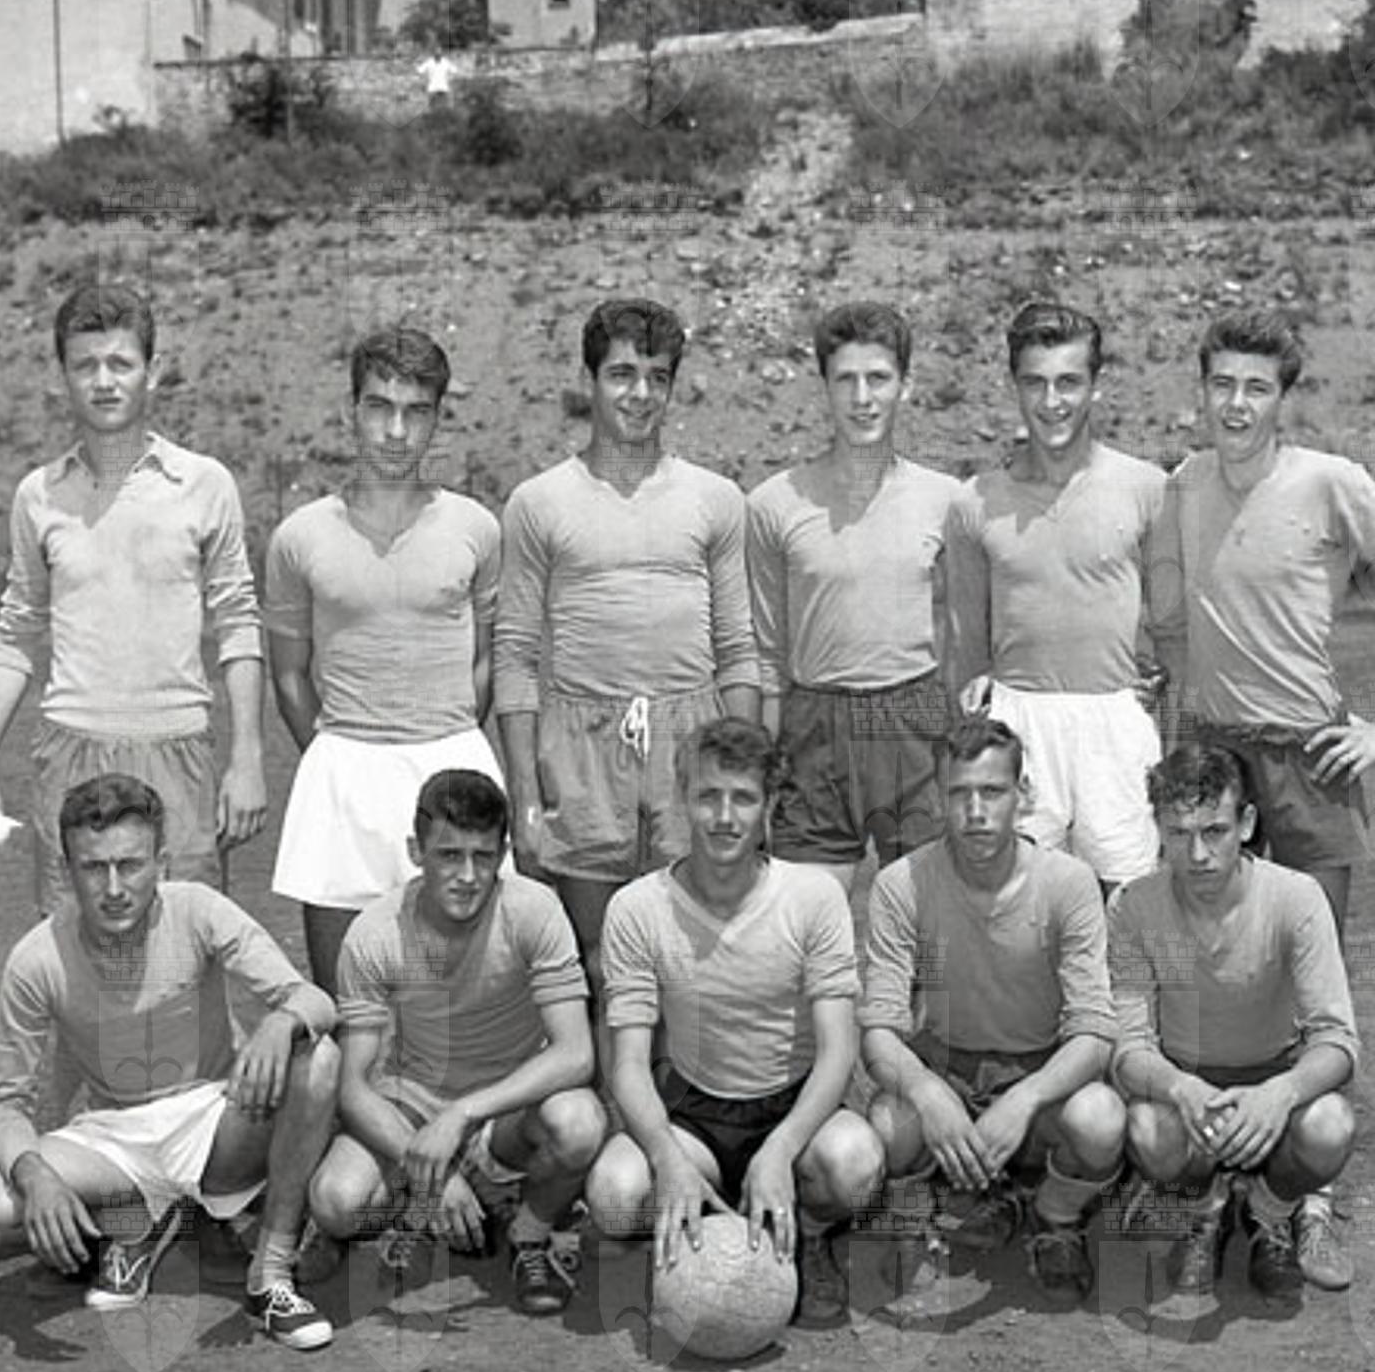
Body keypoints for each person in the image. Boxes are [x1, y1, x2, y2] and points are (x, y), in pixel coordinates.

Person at [0, 774, 339, 1349]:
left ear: (161, 863)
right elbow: (5, 1103)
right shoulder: (36, 958)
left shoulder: (198, 910)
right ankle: (128, 1222)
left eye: (130, 865)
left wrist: (282, 1021)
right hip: (112, 1140)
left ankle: (270, 1276)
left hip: (214, 1124)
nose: (114, 888)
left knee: (318, 1059)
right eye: (93, 868)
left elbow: (313, 999)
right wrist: (35, 1175)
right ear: (66, 870)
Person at [1149, 312, 1375, 936]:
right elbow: (1170, 621)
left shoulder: (1331, 483)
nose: (1237, 404)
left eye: (1257, 388)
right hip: (1213, 754)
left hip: (1310, 757)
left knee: (1314, 958)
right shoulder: (1184, 485)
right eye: (1222, 384)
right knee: (1215, 957)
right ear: (1203, 391)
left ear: (1283, 398)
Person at [0, 281, 267, 910]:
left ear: (152, 371)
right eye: (86, 365)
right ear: (63, 377)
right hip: (70, 752)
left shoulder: (205, 485)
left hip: (178, 751)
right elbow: (16, 633)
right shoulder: (38, 496)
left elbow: (239, 623)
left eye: (120, 363)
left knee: (183, 950)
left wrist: (248, 758)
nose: (104, 381)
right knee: (73, 956)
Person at [584, 718, 884, 1328]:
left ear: (769, 807)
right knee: (614, 1198)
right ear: (682, 800)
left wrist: (783, 1147)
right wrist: (666, 1158)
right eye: (708, 796)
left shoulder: (812, 898)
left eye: (743, 798)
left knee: (857, 1167)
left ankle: (807, 1230)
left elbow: (837, 1052)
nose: (724, 817)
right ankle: (707, 1217)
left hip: (792, 1102)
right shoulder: (637, 908)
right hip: (694, 1110)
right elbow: (629, 1065)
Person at [493, 299, 758, 990]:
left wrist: (748, 778)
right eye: (621, 374)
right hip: (582, 751)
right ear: (588, 380)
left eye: (657, 377)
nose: (640, 394)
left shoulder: (716, 499)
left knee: (694, 960)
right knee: (596, 962)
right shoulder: (538, 503)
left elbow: (738, 650)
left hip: (689, 743)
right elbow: (515, 657)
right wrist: (526, 797)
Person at [306, 771, 607, 1315]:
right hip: (413, 1102)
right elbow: (353, 1088)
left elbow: (575, 1053)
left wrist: (463, 1114)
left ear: (503, 854)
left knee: (580, 1124)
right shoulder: (375, 933)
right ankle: (421, 1203)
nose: (467, 876)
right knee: (336, 1203)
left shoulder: (534, 910)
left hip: (505, 1110)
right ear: (415, 851)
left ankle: (528, 1235)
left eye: (483, 857)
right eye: (449, 855)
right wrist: (434, 1171)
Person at [859, 718, 1126, 1307]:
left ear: (1022, 795)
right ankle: (921, 1215)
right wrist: (928, 1093)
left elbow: (1094, 1033)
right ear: (938, 799)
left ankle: (1054, 1217)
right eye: (959, 793)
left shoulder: (1069, 883)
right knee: (890, 1122)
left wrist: (1025, 1100)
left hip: (1041, 1072)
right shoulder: (902, 884)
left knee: (1101, 1119)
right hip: (949, 1068)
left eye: (992, 791)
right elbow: (878, 1030)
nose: (975, 811)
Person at [266, 326, 502, 989]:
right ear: (352, 411)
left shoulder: (477, 529)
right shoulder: (299, 537)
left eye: (416, 411)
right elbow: (288, 672)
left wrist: (446, 737)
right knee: (348, 997)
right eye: (380, 407)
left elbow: (487, 659)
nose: (396, 431)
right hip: (343, 775)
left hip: (451, 759)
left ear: (437, 419)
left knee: (463, 996)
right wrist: (338, 751)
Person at [1108, 743, 1359, 1313]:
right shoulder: (1132, 907)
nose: (1198, 854)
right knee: (1146, 1127)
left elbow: (1338, 1040)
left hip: (1274, 1074)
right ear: (1157, 830)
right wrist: (1181, 1088)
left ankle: (1271, 1213)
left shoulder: (1297, 898)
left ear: (1246, 824)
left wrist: (1280, 1094)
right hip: (1189, 1082)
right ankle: (1204, 1209)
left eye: (1214, 831)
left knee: (1331, 1125)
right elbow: (1129, 1048)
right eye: (1178, 833)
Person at [945, 301, 1167, 892]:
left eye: (1068, 382)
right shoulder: (973, 503)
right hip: (1019, 719)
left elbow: (1176, 624)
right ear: (1013, 386)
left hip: (1114, 722)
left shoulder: (1147, 489)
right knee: (1018, 906)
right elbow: (966, 648)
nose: (1052, 402)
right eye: (1034, 383)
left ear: (1097, 384)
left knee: (1127, 899)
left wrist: (1161, 680)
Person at [745, 303, 963, 887]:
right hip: (816, 725)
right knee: (806, 918)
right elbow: (766, 653)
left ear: (905, 385)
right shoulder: (773, 504)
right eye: (845, 379)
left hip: (914, 720)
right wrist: (763, 768)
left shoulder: (946, 501)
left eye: (878, 378)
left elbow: (965, 637)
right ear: (824, 386)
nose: (862, 398)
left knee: (925, 919)